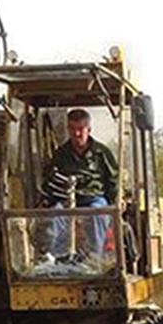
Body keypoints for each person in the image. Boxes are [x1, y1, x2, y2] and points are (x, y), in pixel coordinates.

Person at [40, 108, 118, 264]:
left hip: (94, 198)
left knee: (97, 213)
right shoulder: (60, 154)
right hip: (68, 199)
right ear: (68, 129)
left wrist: (116, 200)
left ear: (88, 130)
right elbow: (49, 181)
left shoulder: (102, 153)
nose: (76, 134)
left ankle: (95, 260)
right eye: (72, 129)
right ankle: (56, 259)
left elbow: (114, 180)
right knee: (55, 214)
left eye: (80, 129)